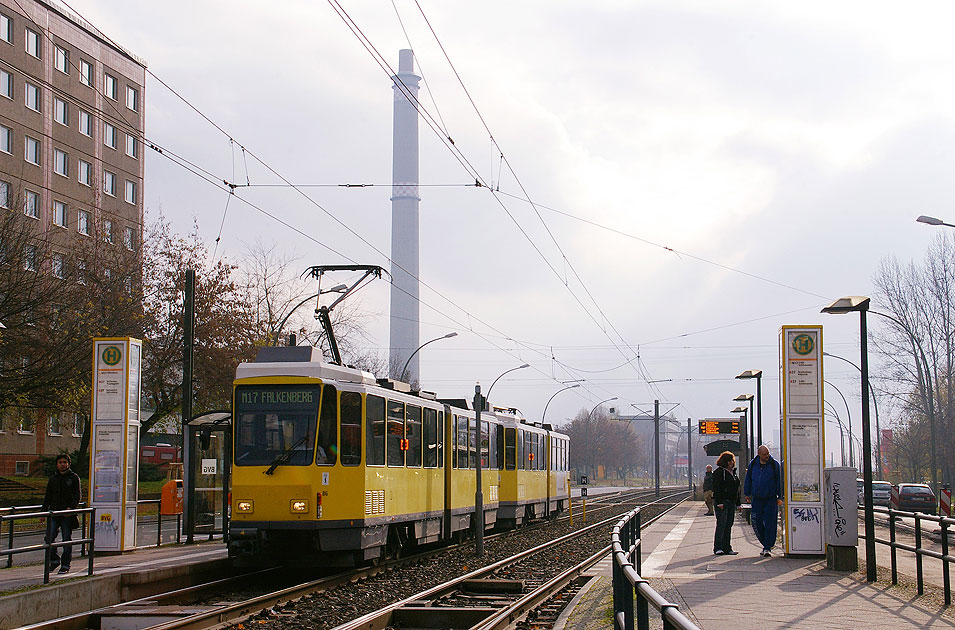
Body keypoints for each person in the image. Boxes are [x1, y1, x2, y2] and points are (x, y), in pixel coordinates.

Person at [41, 453, 81, 573]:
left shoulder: (73, 477)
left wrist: (71, 508)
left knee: (66, 539)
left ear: (68, 464)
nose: (62, 465)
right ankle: (54, 560)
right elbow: (47, 496)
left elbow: (77, 495)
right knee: (49, 538)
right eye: (60, 463)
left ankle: (65, 565)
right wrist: (43, 512)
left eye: (65, 462)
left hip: (66, 514)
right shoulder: (53, 479)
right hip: (54, 513)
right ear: (57, 464)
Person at [744, 445, 783, 557]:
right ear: (759, 454)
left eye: (768, 454)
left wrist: (779, 496)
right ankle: (765, 542)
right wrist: (747, 493)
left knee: (770, 522)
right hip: (756, 498)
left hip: (770, 498)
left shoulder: (774, 465)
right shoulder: (753, 464)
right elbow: (749, 479)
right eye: (765, 454)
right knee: (756, 521)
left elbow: (778, 481)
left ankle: (767, 546)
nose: (767, 456)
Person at [712, 451, 740, 555]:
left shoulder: (733, 472)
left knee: (729, 525)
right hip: (722, 502)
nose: (731, 463)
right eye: (729, 461)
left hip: (731, 502)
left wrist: (738, 503)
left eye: (732, 461)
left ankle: (727, 547)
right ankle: (718, 547)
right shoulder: (719, 472)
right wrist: (719, 502)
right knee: (721, 524)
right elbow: (717, 488)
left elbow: (737, 489)